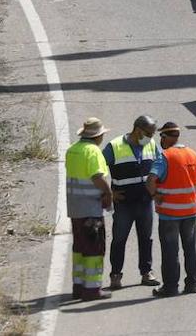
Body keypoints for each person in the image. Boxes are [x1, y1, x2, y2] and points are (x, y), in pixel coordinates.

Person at [102, 114, 162, 290]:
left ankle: (146, 272)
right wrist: (109, 192)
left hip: (145, 201)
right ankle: (115, 275)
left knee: (146, 238)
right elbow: (97, 168)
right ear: (137, 130)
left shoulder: (151, 144)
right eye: (149, 133)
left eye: (152, 134)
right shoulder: (115, 146)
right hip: (124, 203)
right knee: (119, 239)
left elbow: (160, 165)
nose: (151, 137)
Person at [147, 121, 196, 297]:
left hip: (169, 213)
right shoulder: (192, 154)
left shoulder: (164, 156)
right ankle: (192, 284)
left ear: (165, 137)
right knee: (191, 248)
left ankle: (171, 287)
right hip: (190, 211)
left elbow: (150, 180)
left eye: (161, 137)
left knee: (170, 251)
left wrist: (155, 195)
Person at [64, 117, 114, 301]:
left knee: (79, 248)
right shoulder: (93, 152)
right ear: (98, 136)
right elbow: (97, 177)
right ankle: (92, 290)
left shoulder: (72, 150)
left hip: (74, 208)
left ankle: (78, 286)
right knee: (94, 248)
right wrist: (108, 194)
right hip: (91, 209)